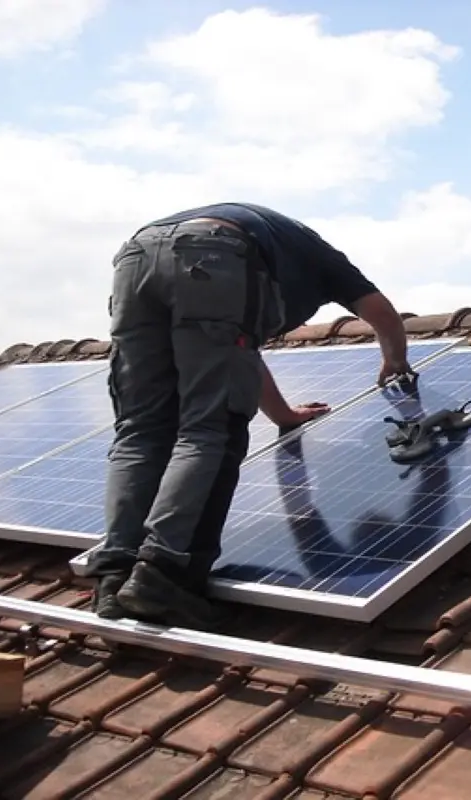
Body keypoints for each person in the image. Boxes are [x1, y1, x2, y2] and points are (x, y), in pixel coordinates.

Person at [85, 203, 414, 628]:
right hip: (213, 253)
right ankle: (163, 574)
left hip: (136, 258)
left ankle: (115, 577)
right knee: (210, 429)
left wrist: (283, 415)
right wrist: (395, 361)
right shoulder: (323, 261)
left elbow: (240, 356)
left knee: (141, 430)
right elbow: (383, 315)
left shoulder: (281, 248)